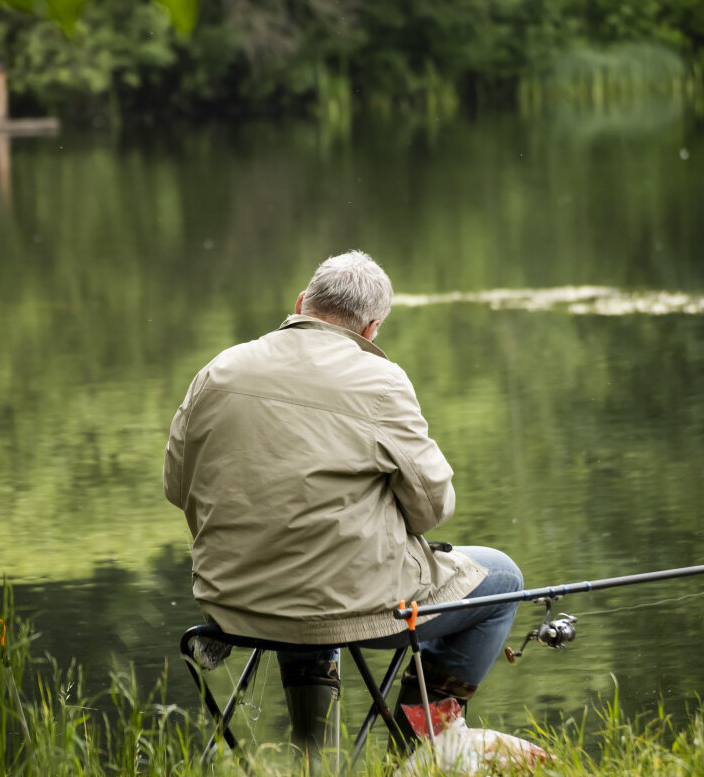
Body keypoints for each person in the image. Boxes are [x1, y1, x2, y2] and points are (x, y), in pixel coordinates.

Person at [164, 251, 523, 765]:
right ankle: (420, 743)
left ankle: (317, 757)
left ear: (301, 303)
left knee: (309, 568)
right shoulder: (381, 381)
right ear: (372, 328)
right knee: (504, 577)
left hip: (232, 602)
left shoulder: (218, 369)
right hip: (338, 609)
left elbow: (176, 485)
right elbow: (432, 507)